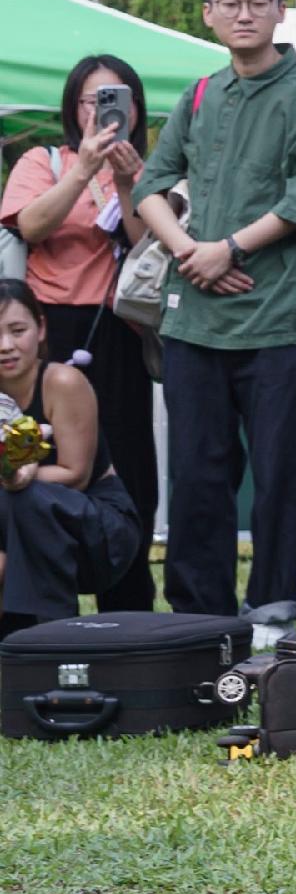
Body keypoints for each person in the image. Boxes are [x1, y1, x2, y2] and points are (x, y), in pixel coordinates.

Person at [129, 0, 296, 626]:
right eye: (230, 2)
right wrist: (188, 249)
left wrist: (230, 246)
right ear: (208, 13)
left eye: (259, 1)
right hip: (193, 313)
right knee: (196, 474)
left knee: (280, 474)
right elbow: (149, 184)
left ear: (282, 11)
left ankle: (273, 605)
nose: (245, 12)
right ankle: (199, 614)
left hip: (280, 312)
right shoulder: (199, 92)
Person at [9, 55, 155, 604]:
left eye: (118, 97)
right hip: (48, 328)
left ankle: (130, 608)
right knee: (40, 461)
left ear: (137, 108)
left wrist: (123, 178)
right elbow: (30, 224)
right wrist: (83, 169)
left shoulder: (147, 168)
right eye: (93, 99)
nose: (105, 109)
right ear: (74, 108)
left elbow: (148, 247)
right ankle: (40, 601)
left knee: (127, 467)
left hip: (120, 327)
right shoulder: (42, 160)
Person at [0, 279, 123, 632]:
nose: (6, 346)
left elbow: (75, 474)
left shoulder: (63, 381)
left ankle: (49, 637)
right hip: (16, 524)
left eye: (17, 330)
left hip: (95, 524)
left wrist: (14, 475)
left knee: (25, 498)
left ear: (40, 328)